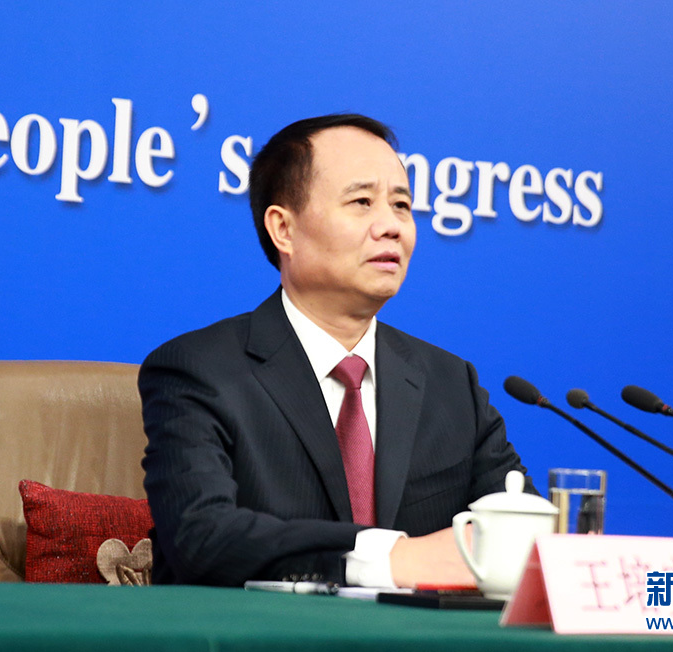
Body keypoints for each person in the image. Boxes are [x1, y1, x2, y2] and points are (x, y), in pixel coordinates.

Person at [139, 113, 536, 588]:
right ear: (283, 229)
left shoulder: (452, 385)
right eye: (362, 202)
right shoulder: (199, 371)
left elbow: (525, 535)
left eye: (402, 205)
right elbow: (202, 537)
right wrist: (388, 559)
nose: (391, 226)